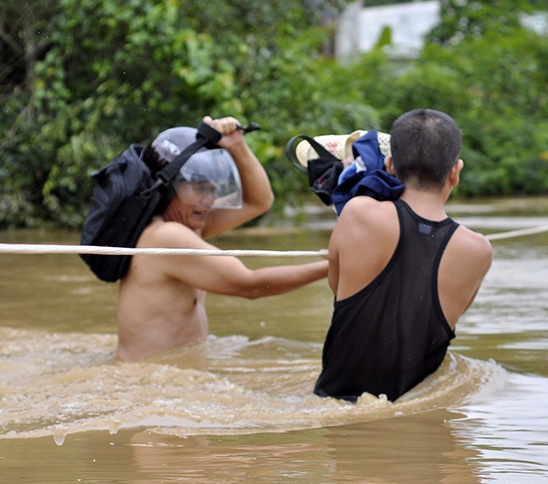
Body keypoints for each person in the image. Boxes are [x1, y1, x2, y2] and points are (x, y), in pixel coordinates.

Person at [314, 108, 493, 402]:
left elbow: (337, 286)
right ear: (455, 172)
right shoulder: (478, 250)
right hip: (417, 415)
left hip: (335, 408)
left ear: (391, 166)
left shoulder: (359, 213)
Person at [116, 116, 328, 361]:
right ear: (169, 187)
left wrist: (237, 144)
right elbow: (251, 285)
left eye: (213, 189)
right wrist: (330, 266)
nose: (209, 200)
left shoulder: (185, 226)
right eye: (200, 188)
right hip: (148, 380)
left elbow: (258, 202)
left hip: (170, 373)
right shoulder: (166, 237)